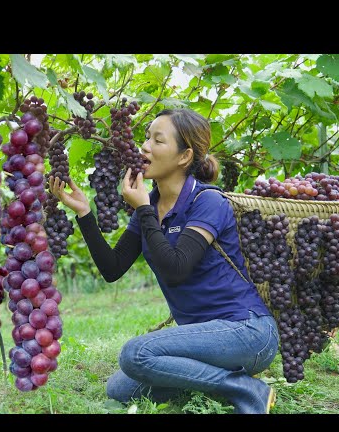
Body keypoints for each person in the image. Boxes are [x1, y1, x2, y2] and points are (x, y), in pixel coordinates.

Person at [49, 108, 279, 414]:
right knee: (119, 387)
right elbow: (113, 269)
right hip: (199, 340)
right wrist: (84, 213)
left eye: (157, 140)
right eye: (146, 137)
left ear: (184, 157)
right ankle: (218, 381)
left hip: (247, 332)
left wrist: (143, 210)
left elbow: (176, 270)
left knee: (135, 354)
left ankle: (248, 390)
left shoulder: (207, 201)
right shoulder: (152, 205)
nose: (144, 146)